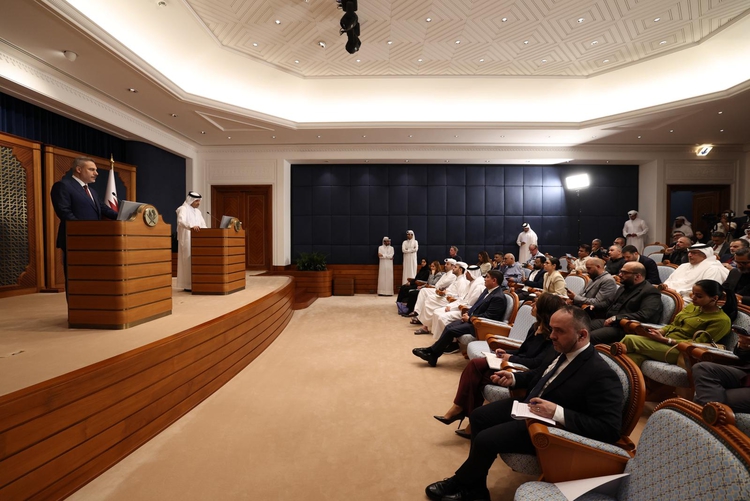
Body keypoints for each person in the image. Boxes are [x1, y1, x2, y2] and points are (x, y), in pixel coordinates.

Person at [424, 306, 623, 501]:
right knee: (478, 416)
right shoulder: (562, 349)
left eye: (559, 331)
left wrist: (557, 412)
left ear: (582, 335)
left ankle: (462, 482)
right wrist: (514, 379)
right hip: (530, 407)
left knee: (485, 439)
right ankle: (476, 488)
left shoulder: (601, 374)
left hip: (550, 428)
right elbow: (539, 375)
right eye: (552, 329)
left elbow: (609, 429)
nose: (552, 335)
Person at [433, 294, 566, 437]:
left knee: (476, 367)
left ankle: (459, 410)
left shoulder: (551, 337)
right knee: (478, 372)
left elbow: (537, 363)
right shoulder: (535, 327)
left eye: (536, 304)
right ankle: (468, 420)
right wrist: (506, 352)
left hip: (522, 370)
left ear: (543, 309)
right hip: (513, 362)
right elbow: (522, 351)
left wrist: (511, 358)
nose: (532, 305)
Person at [619, 280, 734, 367]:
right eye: (692, 294)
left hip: (684, 353)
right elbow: (673, 325)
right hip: (665, 341)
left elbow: (698, 345)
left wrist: (666, 340)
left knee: (630, 339)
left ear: (714, 298)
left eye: (699, 296)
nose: (693, 298)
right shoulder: (692, 307)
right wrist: (660, 331)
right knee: (632, 357)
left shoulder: (721, 320)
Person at [51, 157, 119, 291]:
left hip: (94, 241)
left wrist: (126, 216)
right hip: (75, 240)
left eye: (96, 170)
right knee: (76, 278)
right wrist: (85, 230)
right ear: (79, 169)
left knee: (92, 277)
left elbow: (105, 210)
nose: (96, 173)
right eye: (92, 169)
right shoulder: (63, 186)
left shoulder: (92, 191)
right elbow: (64, 212)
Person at [412, 271, 506, 367]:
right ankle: (432, 353)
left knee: (451, 331)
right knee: (449, 326)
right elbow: (476, 306)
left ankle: (432, 353)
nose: (485, 279)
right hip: (474, 320)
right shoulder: (488, 290)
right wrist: (468, 314)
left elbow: (490, 317)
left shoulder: (498, 297)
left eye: (487, 277)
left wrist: (470, 318)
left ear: (494, 280)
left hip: (481, 326)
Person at [589, 262, 663, 345]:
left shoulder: (650, 292)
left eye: (624, 273)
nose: (620, 275)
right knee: (580, 328)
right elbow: (609, 302)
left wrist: (617, 318)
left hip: (626, 328)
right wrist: (594, 306)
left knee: (590, 337)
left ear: (637, 276)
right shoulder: (624, 286)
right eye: (621, 271)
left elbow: (645, 314)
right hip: (609, 321)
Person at [693, 331, 750, 413]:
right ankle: (712, 414)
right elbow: (744, 356)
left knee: (704, 398)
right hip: (746, 373)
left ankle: (713, 416)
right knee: (702, 368)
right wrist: (744, 347)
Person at [662, 243, 729, 303]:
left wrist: (677, 293)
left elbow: (706, 293)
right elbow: (667, 282)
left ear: (705, 255)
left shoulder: (713, 269)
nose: (689, 255)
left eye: (694, 253)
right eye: (689, 252)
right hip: (670, 295)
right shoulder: (683, 266)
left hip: (690, 301)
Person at [176, 191, 207, 291]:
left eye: (199, 201)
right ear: (191, 200)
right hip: (187, 238)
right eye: (197, 201)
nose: (199, 203)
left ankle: (197, 282)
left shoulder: (198, 212)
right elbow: (181, 221)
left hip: (198, 239)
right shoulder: (183, 209)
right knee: (187, 261)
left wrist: (208, 233)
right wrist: (191, 226)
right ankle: (188, 285)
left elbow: (203, 224)